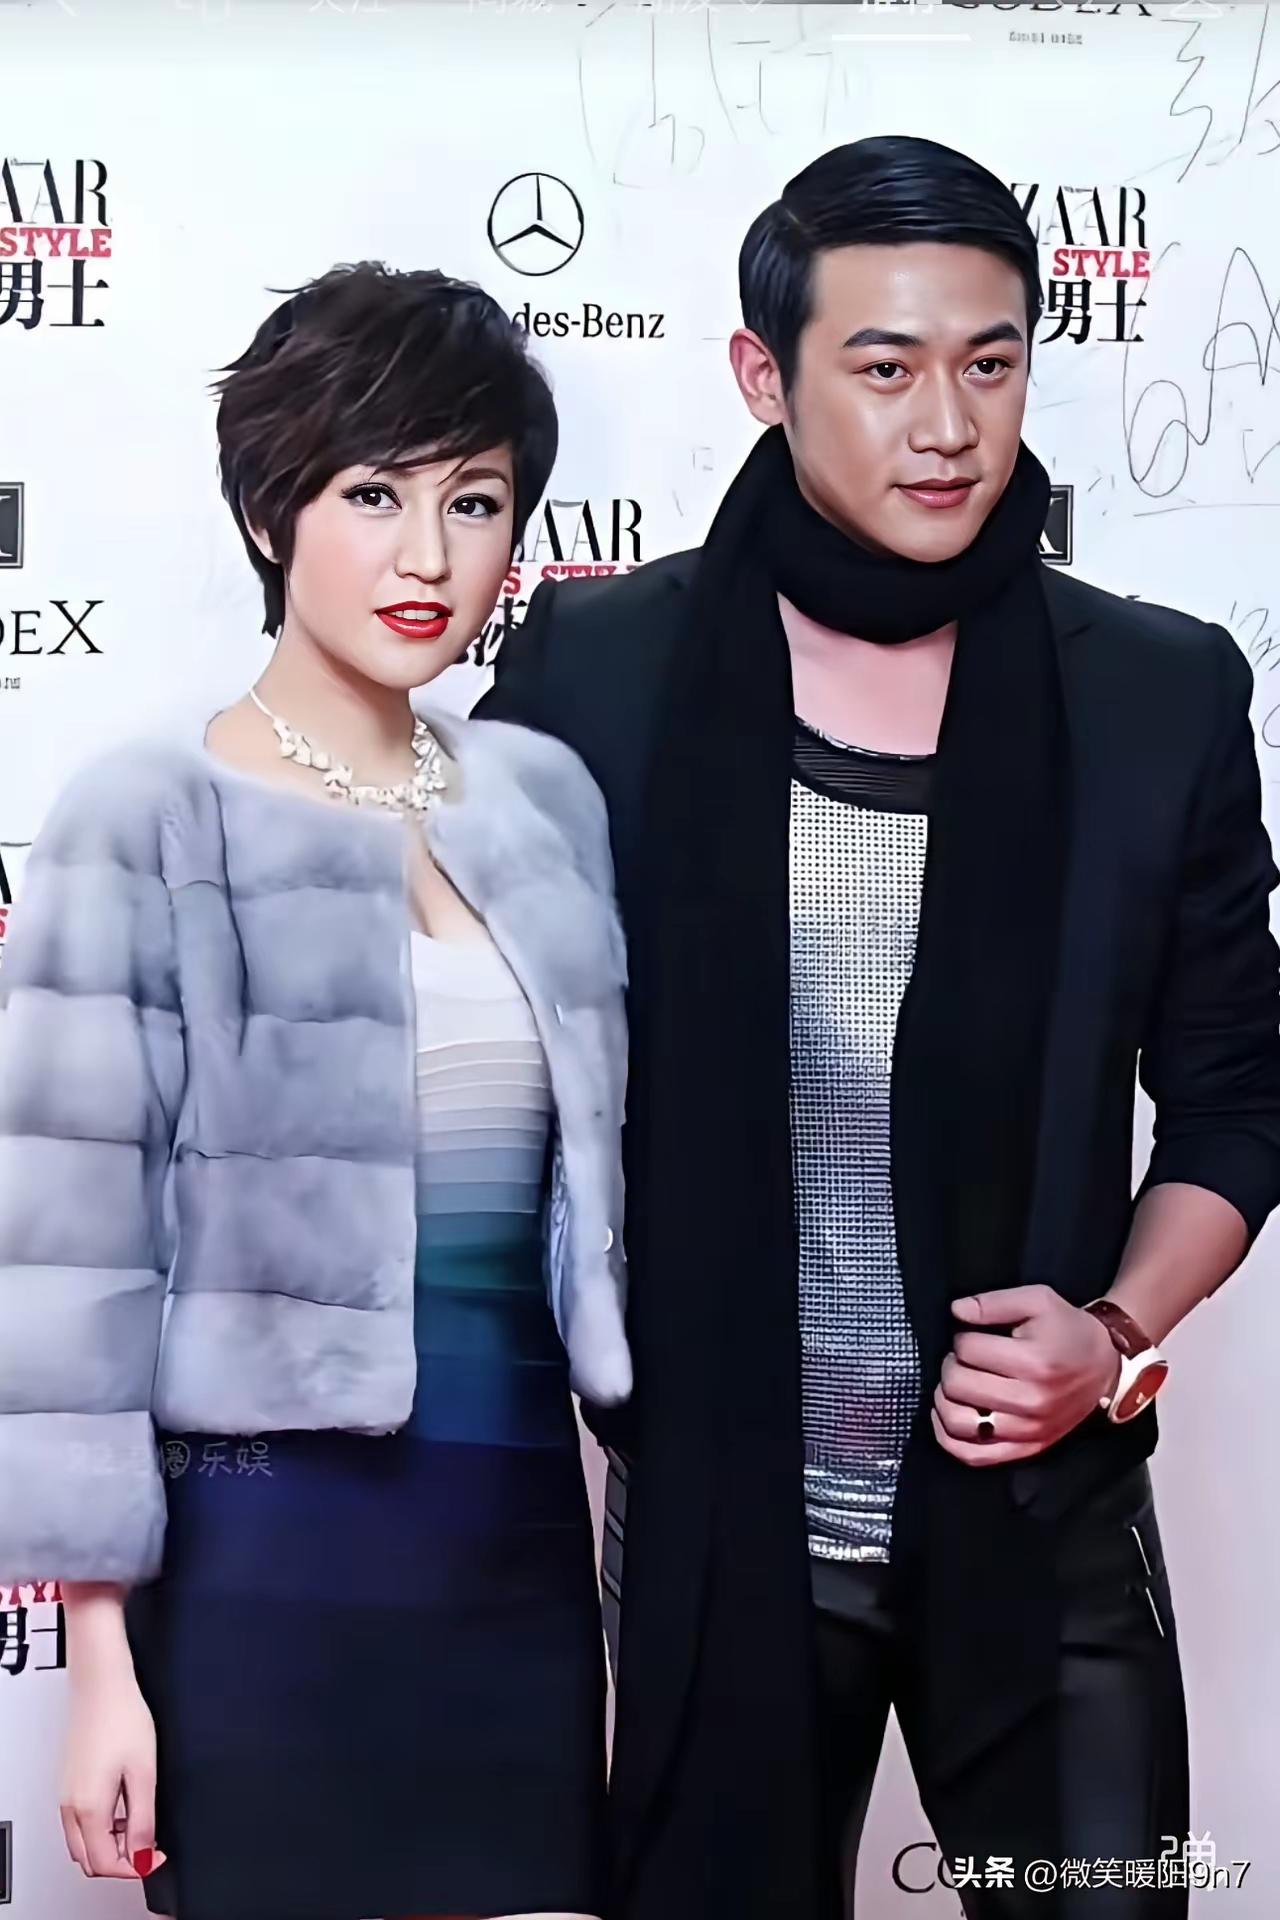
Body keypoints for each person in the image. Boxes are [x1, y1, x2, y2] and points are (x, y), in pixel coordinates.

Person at [477, 137, 1280, 1919]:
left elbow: (1236, 1094)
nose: (949, 426)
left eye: (991, 363)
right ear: (761, 376)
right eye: (886, 366)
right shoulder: (599, 672)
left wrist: (1114, 1337)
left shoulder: (1155, 692)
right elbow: (494, 1085)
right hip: (719, 1521)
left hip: (1042, 1522)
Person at [0, 260, 632, 1920]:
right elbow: (68, 1268)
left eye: (474, 501)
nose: (430, 556)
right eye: (374, 494)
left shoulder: (546, 805)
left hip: (518, 1554)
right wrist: (101, 1669)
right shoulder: (145, 816)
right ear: (270, 510)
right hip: (264, 1584)